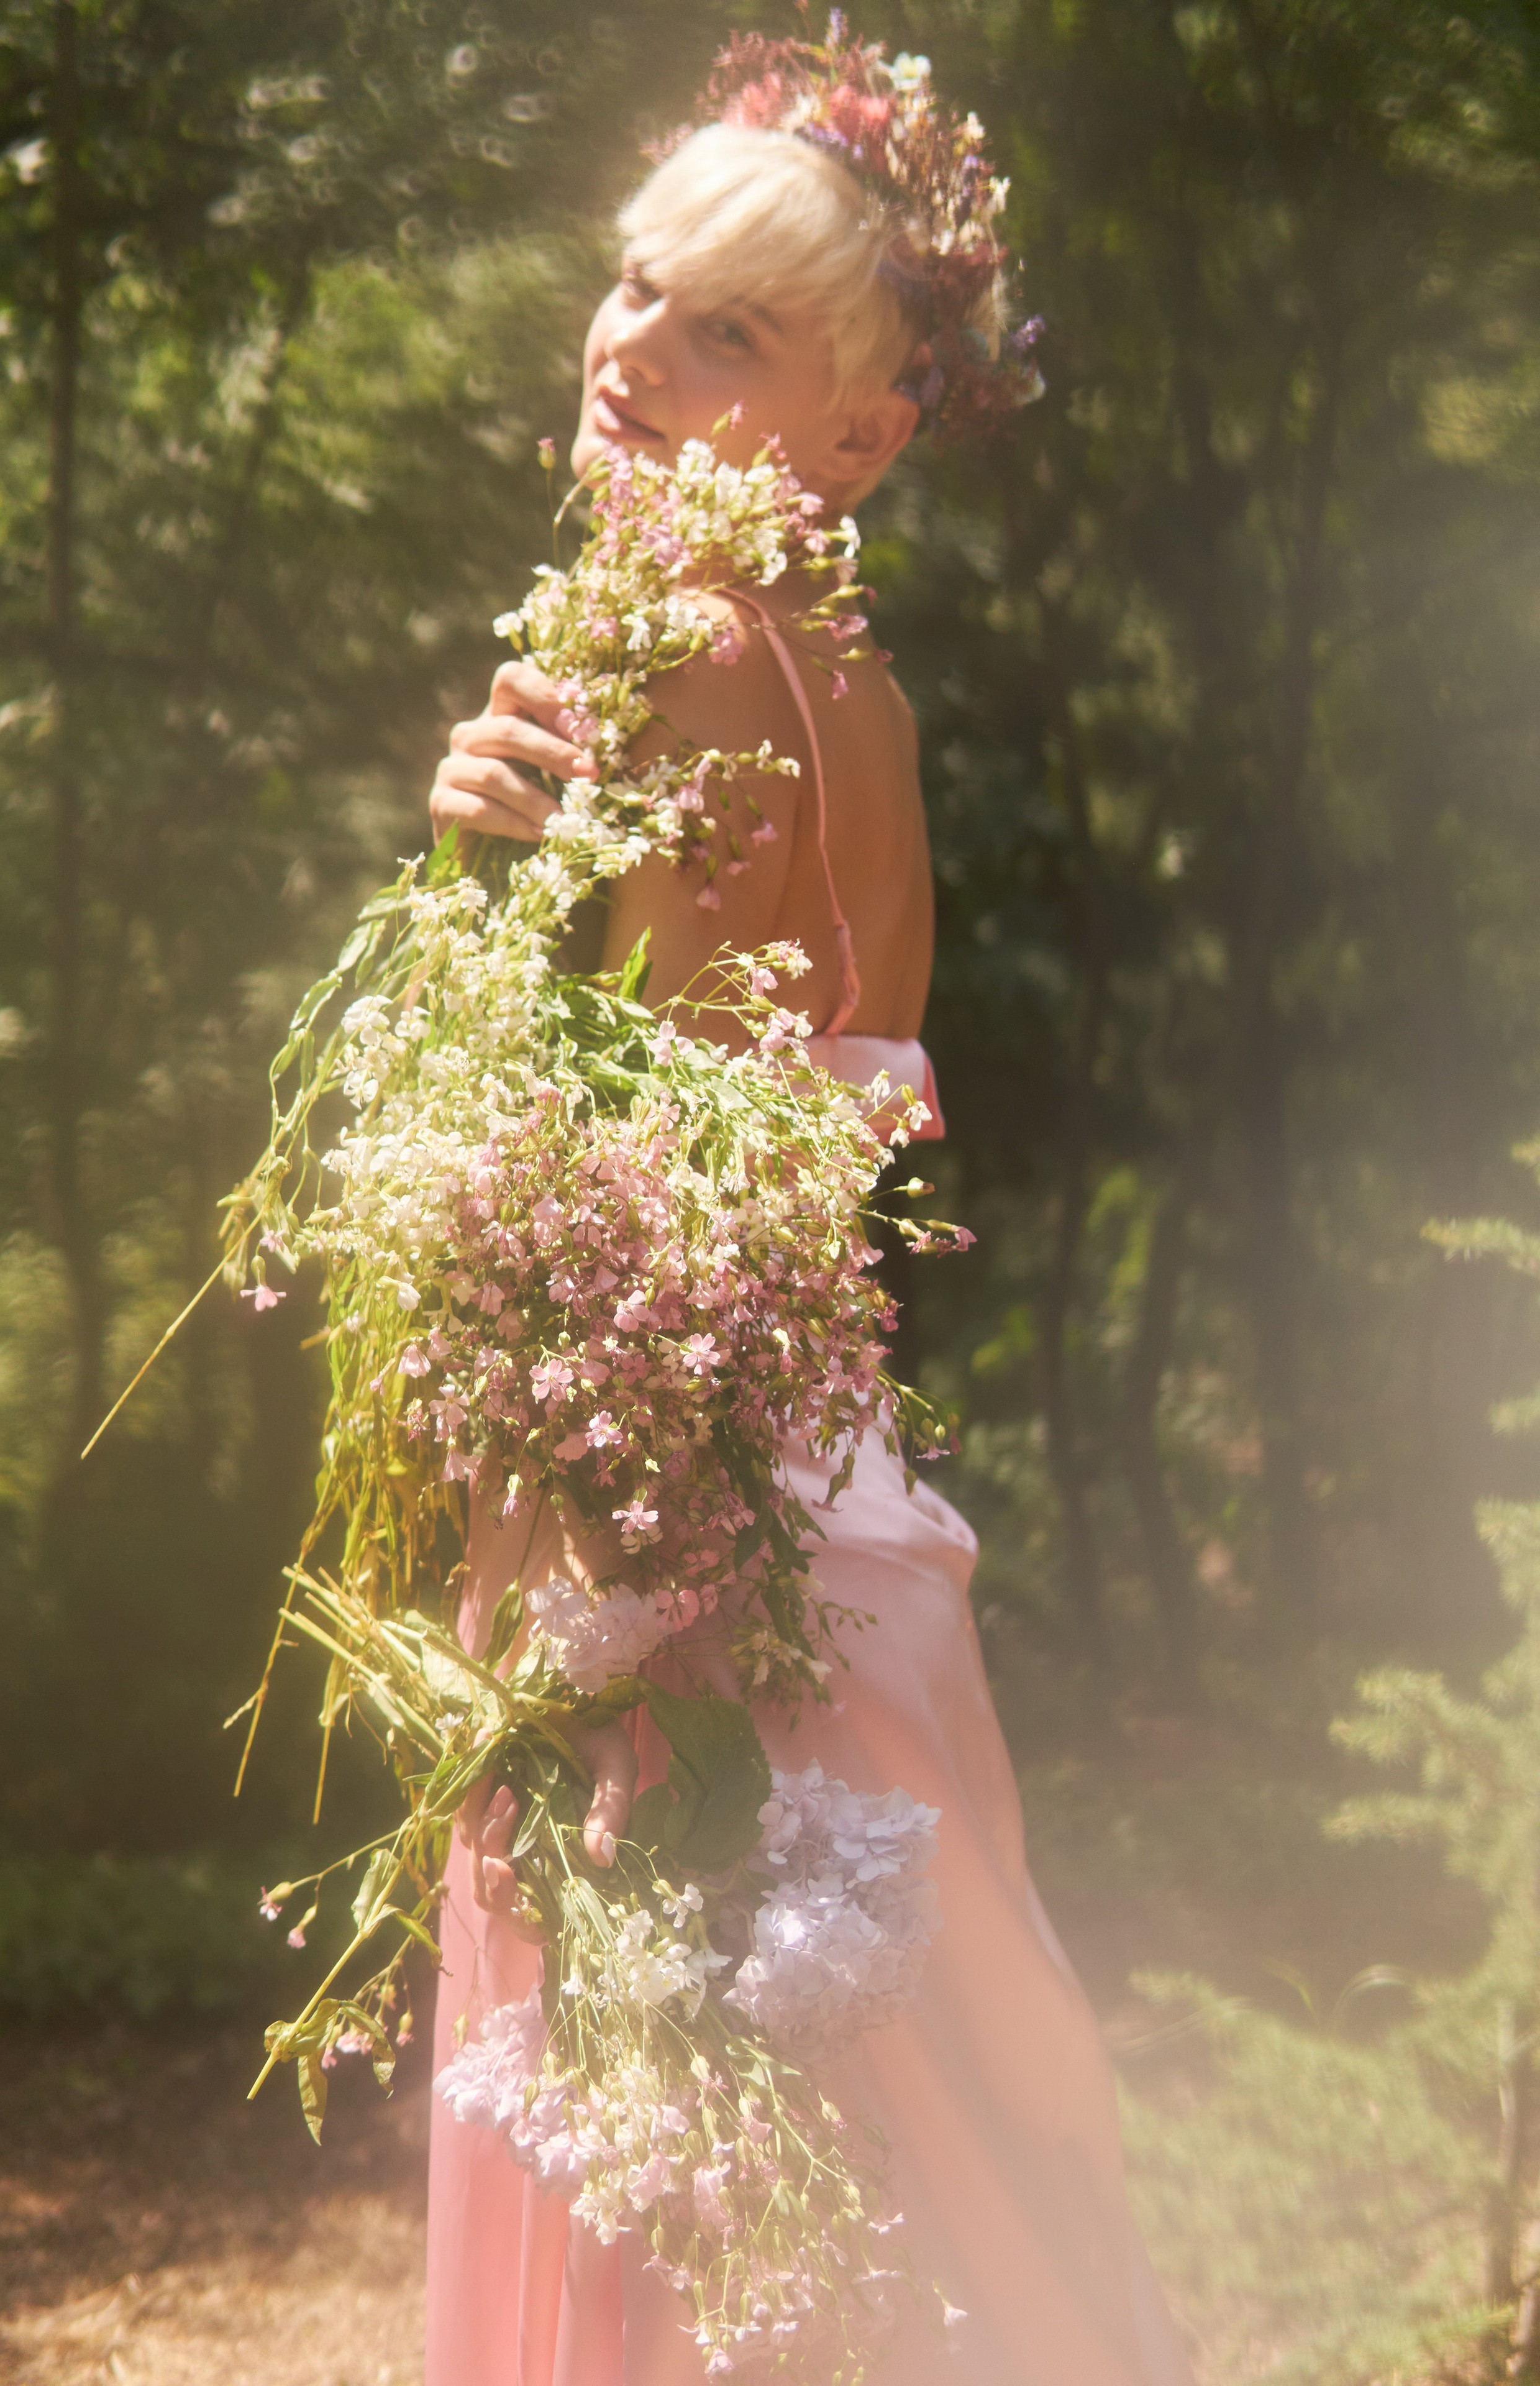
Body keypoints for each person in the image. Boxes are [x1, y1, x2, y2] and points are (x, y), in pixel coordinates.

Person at [422, 40, 1195, 2386]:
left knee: (686, 2170)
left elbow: (561, 1137)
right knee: (903, 2154)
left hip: (671, 1518)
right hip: (828, 1503)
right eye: (635, 289)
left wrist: (475, 868)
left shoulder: (664, 655)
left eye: (726, 329)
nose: (631, 349)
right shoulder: (848, 682)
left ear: (869, 434)